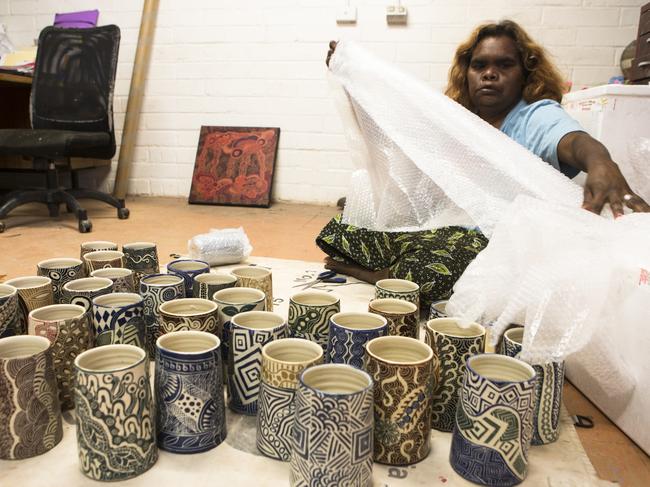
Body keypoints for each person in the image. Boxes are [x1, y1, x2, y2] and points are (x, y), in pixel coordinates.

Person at [318, 21, 649, 310]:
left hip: (499, 241)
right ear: (468, 72)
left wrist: (601, 161)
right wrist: (353, 77)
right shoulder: (460, 121)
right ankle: (400, 271)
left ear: (526, 74)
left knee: (439, 266)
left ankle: (390, 277)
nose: (490, 74)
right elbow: (395, 139)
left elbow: (574, 141)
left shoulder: (535, 116)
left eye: (505, 65)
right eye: (480, 65)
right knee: (344, 229)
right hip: (447, 228)